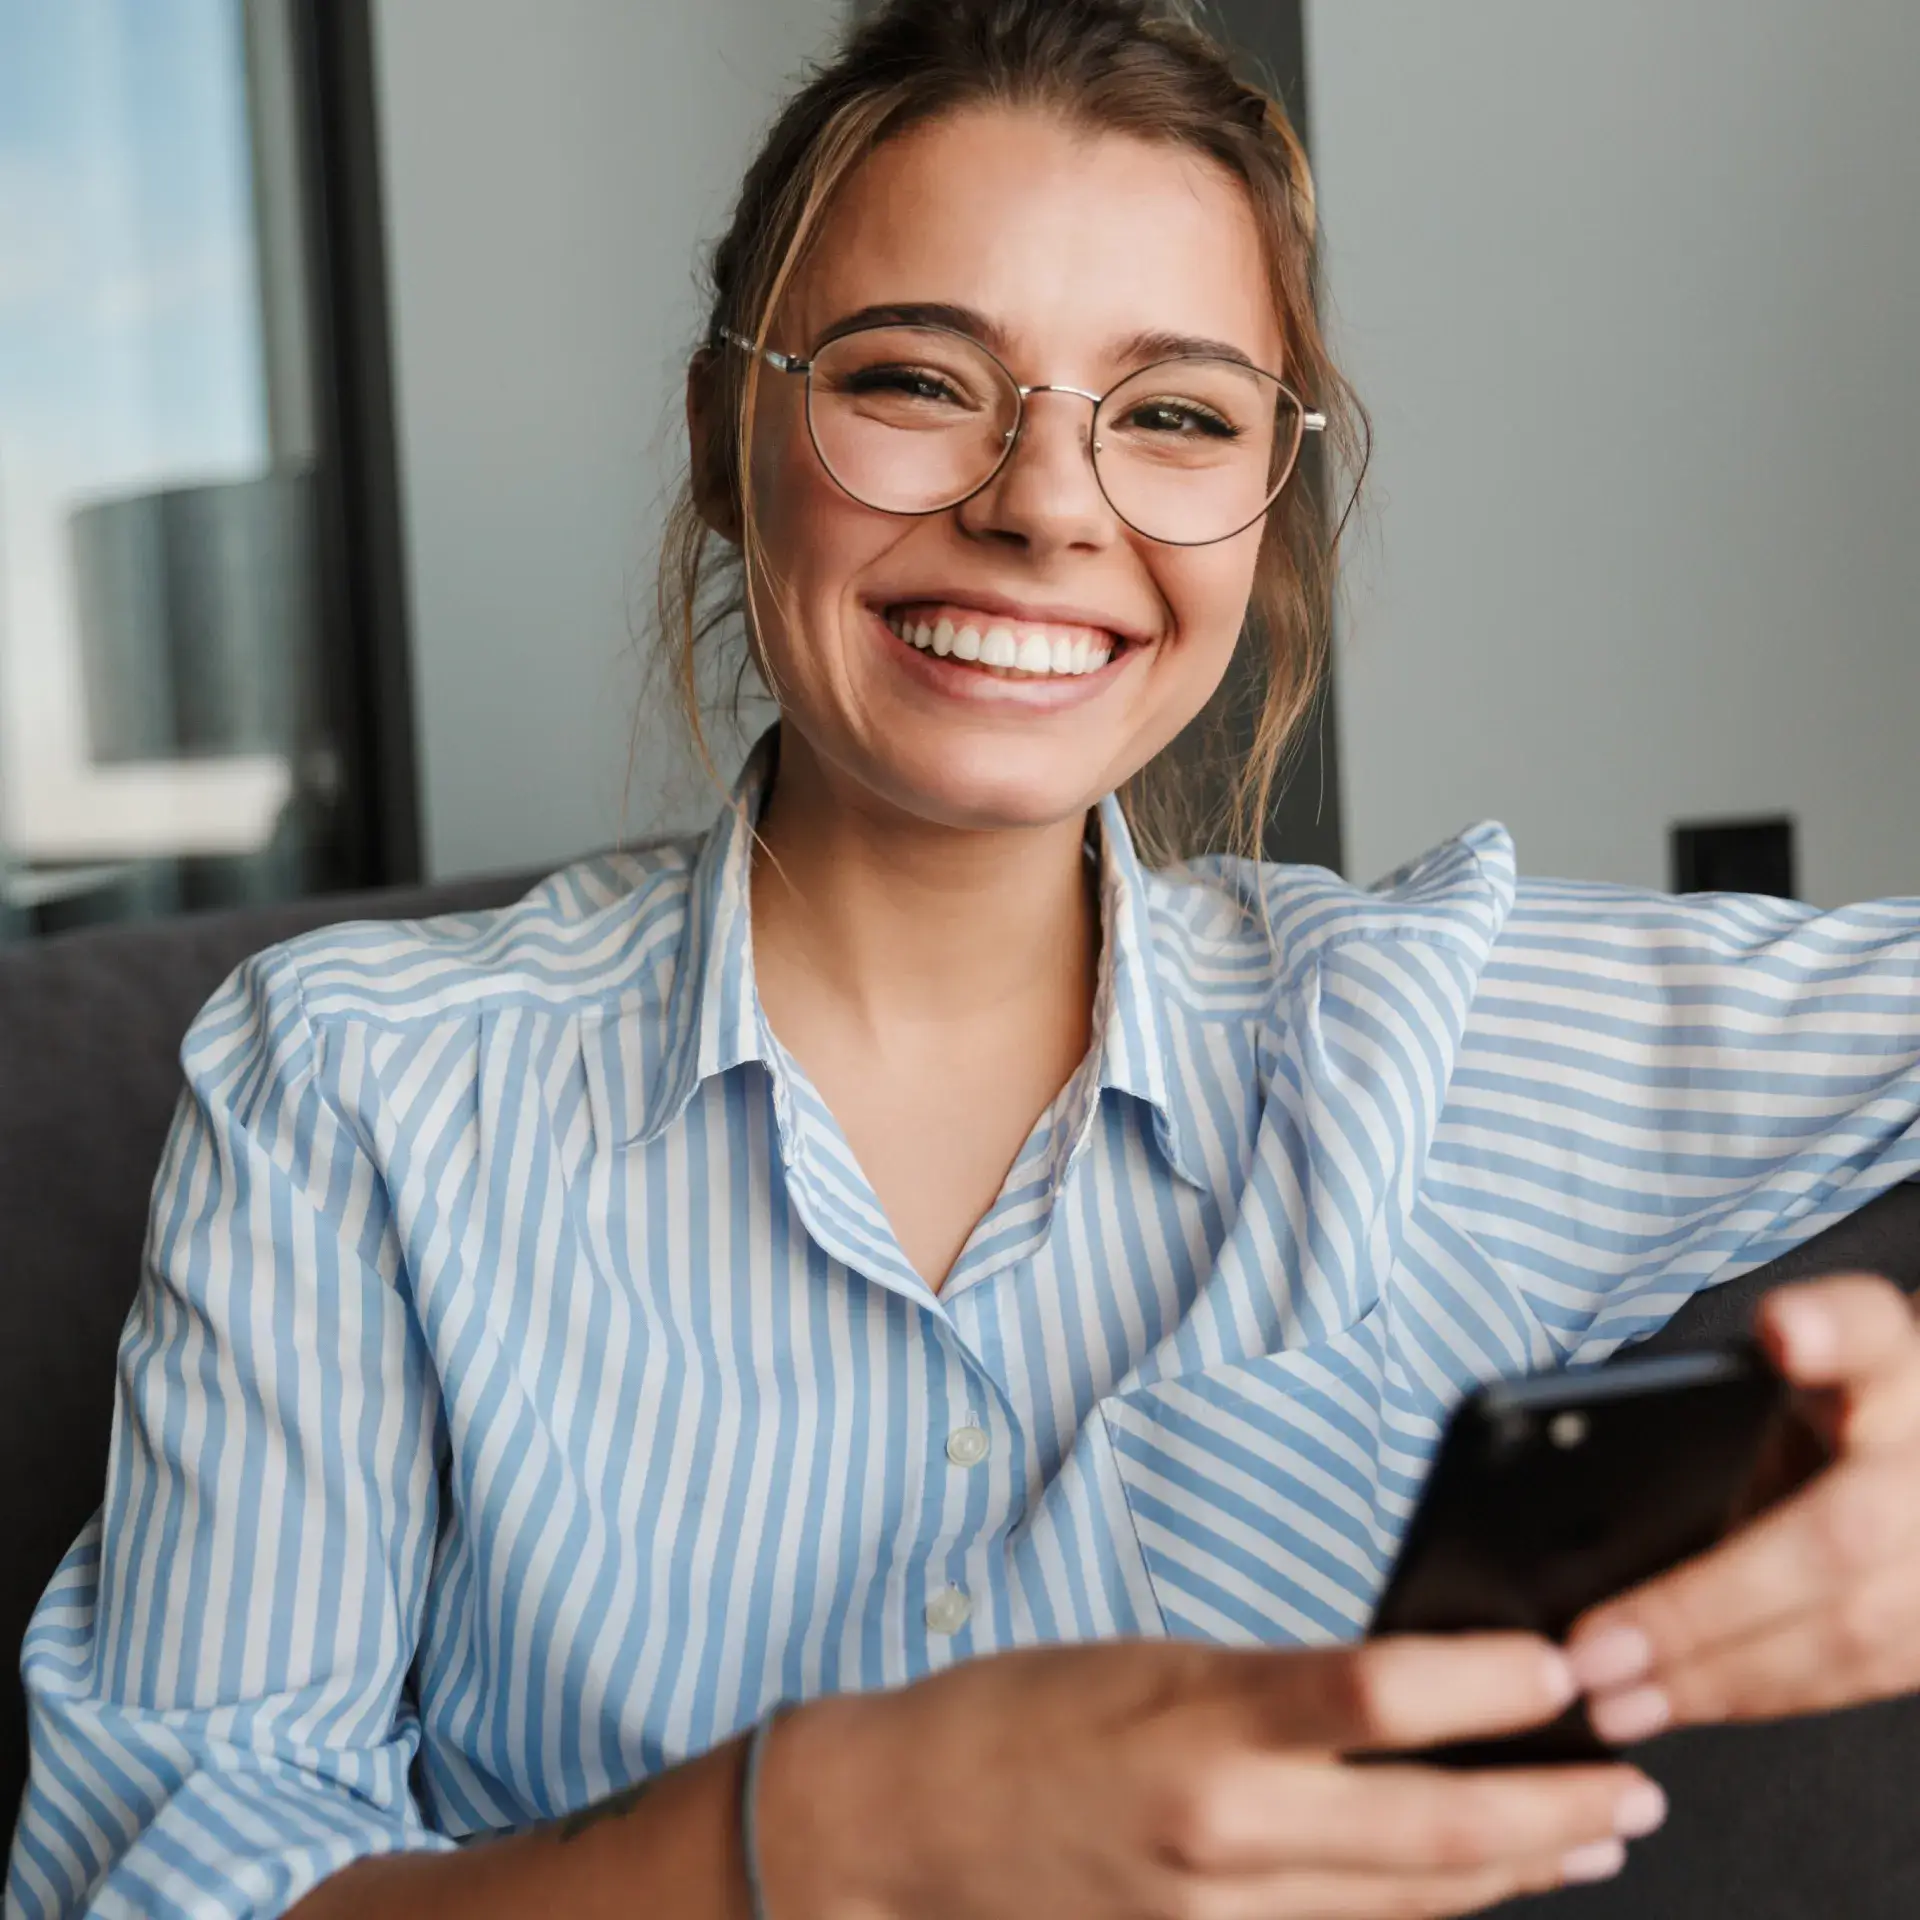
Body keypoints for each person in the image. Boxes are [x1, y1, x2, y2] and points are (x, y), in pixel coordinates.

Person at [11, 2, 1920, 1916]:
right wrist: (830, 1830)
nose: (1042, 503)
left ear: (1268, 500)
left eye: (1174, 414)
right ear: (721, 427)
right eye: (917, 381)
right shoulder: (353, 1079)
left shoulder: (1434, 1026)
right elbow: (162, 1889)